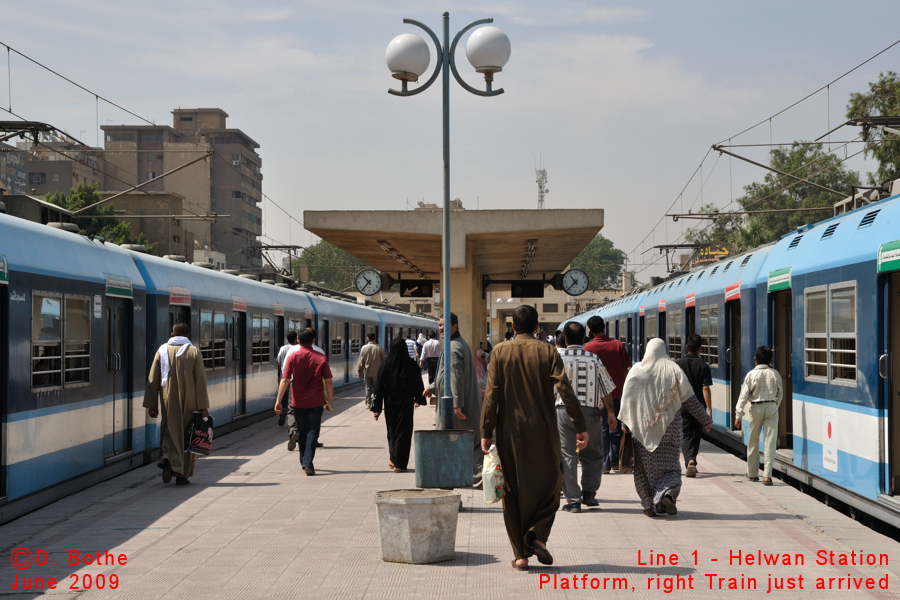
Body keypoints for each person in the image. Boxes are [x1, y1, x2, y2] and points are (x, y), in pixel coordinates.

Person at [480, 305, 587, 571]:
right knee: (553, 484)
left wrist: (485, 431)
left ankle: (520, 555)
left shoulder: (500, 352)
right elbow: (565, 388)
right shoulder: (548, 351)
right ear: (538, 326)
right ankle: (538, 535)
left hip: (509, 433)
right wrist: (580, 424)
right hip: (543, 431)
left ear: (513, 327)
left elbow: (491, 395)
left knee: (512, 492)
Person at [619, 338, 712, 517]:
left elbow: (627, 400)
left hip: (642, 428)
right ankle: (667, 494)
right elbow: (689, 399)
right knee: (670, 467)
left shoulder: (636, 371)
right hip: (670, 427)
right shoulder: (673, 368)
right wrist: (704, 419)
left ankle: (648, 504)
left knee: (644, 469)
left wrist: (625, 424)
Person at [556, 322, 618, 513]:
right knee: (593, 452)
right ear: (584, 339)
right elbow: (606, 389)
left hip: (563, 411)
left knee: (567, 454)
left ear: (565, 339)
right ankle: (589, 493)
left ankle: (573, 500)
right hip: (590, 411)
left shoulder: (556, 358)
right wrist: (610, 413)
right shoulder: (594, 359)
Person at [144, 322, 210, 486]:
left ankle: (167, 461)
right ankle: (182, 475)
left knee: (169, 431)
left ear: (172, 334)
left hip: (167, 400)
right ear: (187, 335)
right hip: (190, 401)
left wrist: (152, 404)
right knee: (188, 435)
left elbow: (153, 380)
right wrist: (203, 406)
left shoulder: (162, 350)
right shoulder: (194, 351)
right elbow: (200, 380)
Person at [423, 312, 483, 486]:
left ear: (455, 326)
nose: (441, 328)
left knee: (458, 440)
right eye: (440, 325)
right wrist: (432, 388)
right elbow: (445, 375)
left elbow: (455, 375)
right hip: (466, 404)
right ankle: (478, 476)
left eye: (445, 325)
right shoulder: (455, 344)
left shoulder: (453, 347)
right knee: (473, 442)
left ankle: (476, 477)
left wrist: (456, 404)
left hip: (458, 407)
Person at [274, 328, 333, 476]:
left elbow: (285, 380)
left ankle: (304, 461)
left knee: (301, 431)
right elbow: (329, 381)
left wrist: (278, 401)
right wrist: (330, 401)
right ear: (313, 341)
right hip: (316, 401)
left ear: (298, 341)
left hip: (298, 401)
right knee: (313, 430)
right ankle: (307, 462)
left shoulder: (293, 357)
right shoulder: (321, 357)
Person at [584, 316, 632, 475]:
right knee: (616, 427)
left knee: (602, 429)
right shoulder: (617, 345)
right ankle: (615, 461)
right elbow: (626, 369)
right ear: (604, 326)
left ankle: (604, 464)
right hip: (617, 393)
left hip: (596, 396)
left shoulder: (588, 348)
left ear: (590, 330)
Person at [371, 337, 424, 473]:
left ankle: (394, 459)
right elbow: (418, 383)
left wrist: (376, 408)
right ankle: (399, 463)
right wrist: (418, 398)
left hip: (390, 404)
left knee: (392, 431)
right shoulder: (411, 365)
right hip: (406, 404)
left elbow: (378, 388)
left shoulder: (384, 365)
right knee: (404, 432)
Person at [734, 346, 783, 486]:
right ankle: (767, 476)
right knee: (770, 442)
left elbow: (743, 397)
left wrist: (739, 414)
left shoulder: (751, 375)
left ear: (755, 360)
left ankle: (753, 473)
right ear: (770, 360)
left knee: (753, 440)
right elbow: (780, 394)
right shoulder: (775, 374)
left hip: (756, 407)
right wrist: (774, 405)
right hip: (772, 406)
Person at [675, 334, 713, 477]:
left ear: (686, 348)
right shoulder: (704, 366)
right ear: (700, 349)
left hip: (682, 406)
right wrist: (709, 409)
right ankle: (693, 459)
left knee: (685, 434)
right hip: (698, 407)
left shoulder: (678, 364)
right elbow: (705, 388)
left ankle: (689, 460)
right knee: (696, 434)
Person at [275, 331, 300, 427]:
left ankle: (283, 411)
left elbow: (279, 363)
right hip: (294, 378)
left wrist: (279, 376)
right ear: (295, 339)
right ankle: (293, 417)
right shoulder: (297, 349)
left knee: (284, 396)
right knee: (292, 398)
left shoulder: (283, 348)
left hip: (284, 376)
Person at [357, 332, 385, 410]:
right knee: (377, 388)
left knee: (368, 388)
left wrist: (359, 371)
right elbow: (384, 360)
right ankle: (375, 403)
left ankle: (368, 404)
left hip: (367, 372)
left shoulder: (364, 348)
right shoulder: (379, 348)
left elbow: (361, 360)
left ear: (368, 338)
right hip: (377, 373)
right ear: (374, 338)